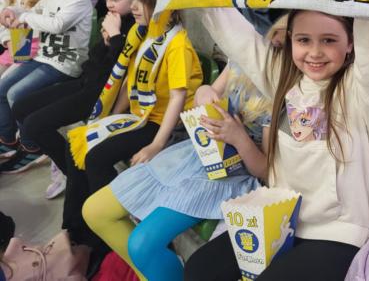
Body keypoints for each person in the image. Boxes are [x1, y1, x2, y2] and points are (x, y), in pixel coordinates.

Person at [183, 0, 369, 281]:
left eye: (329, 40)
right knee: (198, 270)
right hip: (279, 217)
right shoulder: (284, 81)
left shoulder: (363, 92)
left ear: (351, 44)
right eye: (304, 40)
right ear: (290, 41)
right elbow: (238, 39)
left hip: (337, 234)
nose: (314, 52)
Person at [83, 18, 285, 280]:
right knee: (94, 211)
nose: (271, 45)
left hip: (230, 175)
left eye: (284, 45)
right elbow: (207, 92)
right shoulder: (243, 55)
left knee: (143, 245)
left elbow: (266, 170)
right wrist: (204, 93)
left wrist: (239, 138)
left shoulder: (283, 88)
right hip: (196, 152)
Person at [62, 0, 202, 259]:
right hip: (142, 116)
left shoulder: (177, 43)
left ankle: (113, 235)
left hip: (166, 125)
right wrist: (109, 118)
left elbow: (178, 99)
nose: (134, 6)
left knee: (96, 158)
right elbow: (129, 81)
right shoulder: (143, 32)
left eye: (142, 0)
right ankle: (76, 231)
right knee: (82, 142)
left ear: (163, 4)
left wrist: (156, 145)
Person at [11, 0, 138, 198]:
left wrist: (115, 38)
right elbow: (96, 59)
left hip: (101, 93)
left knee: (35, 125)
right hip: (86, 82)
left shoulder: (135, 25)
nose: (109, 4)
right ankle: (70, 168)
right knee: (20, 105)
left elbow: (122, 69)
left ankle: (74, 174)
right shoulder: (115, 20)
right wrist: (108, 41)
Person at [0, 0, 92, 173]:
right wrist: (13, 11)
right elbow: (32, 11)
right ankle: (8, 140)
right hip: (42, 57)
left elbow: (57, 24)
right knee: (2, 89)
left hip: (64, 63)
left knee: (16, 95)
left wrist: (25, 17)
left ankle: (32, 147)